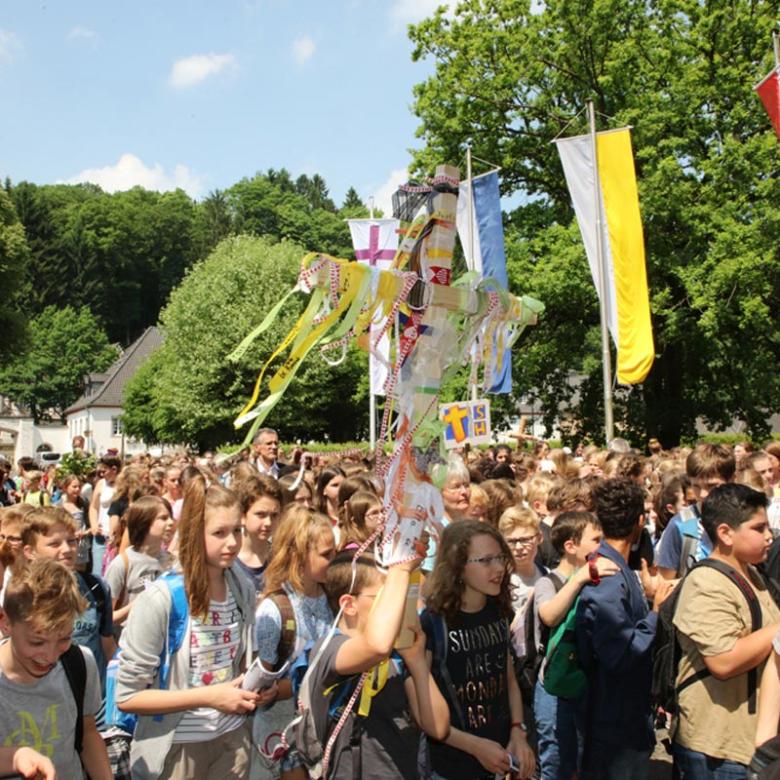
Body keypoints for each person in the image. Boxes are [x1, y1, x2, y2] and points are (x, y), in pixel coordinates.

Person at [116, 477, 268, 780]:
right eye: (219, 533)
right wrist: (208, 697)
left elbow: (237, 664)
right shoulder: (161, 600)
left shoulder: (242, 590)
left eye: (236, 530)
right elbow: (128, 697)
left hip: (232, 741)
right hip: (177, 750)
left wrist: (256, 686)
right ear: (194, 535)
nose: (233, 542)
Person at [304, 548, 450, 778]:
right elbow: (375, 647)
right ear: (349, 604)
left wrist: (416, 661)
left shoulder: (396, 655)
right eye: (386, 598)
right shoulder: (328, 650)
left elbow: (438, 728)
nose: (396, 606)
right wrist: (400, 569)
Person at [672, 484, 780, 778]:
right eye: (759, 528)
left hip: (750, 742)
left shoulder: (753, 572)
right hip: (718, 750)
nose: (769, 536)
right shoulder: (706, 583)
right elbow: (723, 660)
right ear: (725, 533)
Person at [576, 478, 676, 780]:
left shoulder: (615, 566)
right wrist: (656, 611)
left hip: (624, 717)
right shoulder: (607, 576)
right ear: (640, 522)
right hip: (614, 725)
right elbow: (622, 652)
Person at [421, 520, 536, 780]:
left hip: (502, 757)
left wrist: (518, 731)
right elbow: (423, 712)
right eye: (485, 561)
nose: (498, 569)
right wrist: (475, 747)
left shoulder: (499, 611)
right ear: (457, 567)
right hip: (452, 767)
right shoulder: (433, 624)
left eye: (499, 558)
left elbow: (508, 679)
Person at [0, 558, 112, 779]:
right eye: (36, 642)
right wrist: (17, 757)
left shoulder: (79, 662)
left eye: (64, 638)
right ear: (6, 623)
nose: (50, 656)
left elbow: (87, 731)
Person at [531, 511, 619, 780]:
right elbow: (548, 614)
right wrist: (581, 578)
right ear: (570, 546)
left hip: (586, 684)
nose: (602, 546)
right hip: (554, 690)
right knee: (556, 760)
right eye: (596, 540)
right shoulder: (549, 581)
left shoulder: (601, 577)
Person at [254, 506, 336, 780]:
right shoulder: (274, 611)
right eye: (326, 555)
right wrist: (281, 689)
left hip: (326, 732)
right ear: (298, 557)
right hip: (283, 738)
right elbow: (260, 686)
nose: (334, 560)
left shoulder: (335, 598)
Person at [20, 507, 116, 687]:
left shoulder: (97, 588)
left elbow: (107, 644)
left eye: (71, 541)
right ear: (30, 551)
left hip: (93, 704)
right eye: (54, 544)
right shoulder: (21, 595)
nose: (67, 549)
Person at [657, 444, 735, 579]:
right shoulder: (681, 525)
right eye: (696, 486)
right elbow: (665, 583)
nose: (703, 494)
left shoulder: (746, 519)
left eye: (712, 486)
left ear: (732, 480)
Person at [104, 495, 174, 631]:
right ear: (144, 522)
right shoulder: (122, 564)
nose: (171, 522)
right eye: (163, 518)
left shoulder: (171, 562)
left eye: (170, 517)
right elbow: (106, 619)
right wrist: (138, 604)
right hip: (128, 642)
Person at [497, 505, 545, 657]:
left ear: (539, 538)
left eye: (525, 540)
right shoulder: (497, 581)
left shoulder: (547, 575)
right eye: (511, 541)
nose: (518, 547)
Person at [235, 474, 282, 595]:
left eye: (274, 515)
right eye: (261, 514)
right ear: (242, 516)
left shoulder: (280, 557)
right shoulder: (230, 562)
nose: (268, 522)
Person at [89, 456, 121, 577]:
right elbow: (93, 507)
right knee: (98, 574)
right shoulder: (101, 484)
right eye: (100, 472)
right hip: (101, 536)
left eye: (104, 471)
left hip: (117, 537)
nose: (102, 474)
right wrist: (94, 525)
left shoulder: (123, 485)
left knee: (114, 575)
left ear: (114, 469)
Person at [57, 473, 91, 569]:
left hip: (82, 546)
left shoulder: (84, 504)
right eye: (74, 487)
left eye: (79, 487)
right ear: (65, 488)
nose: (77, 489)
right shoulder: (59, 506)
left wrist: (85, 533)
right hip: (67, 546)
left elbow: (90, 525)